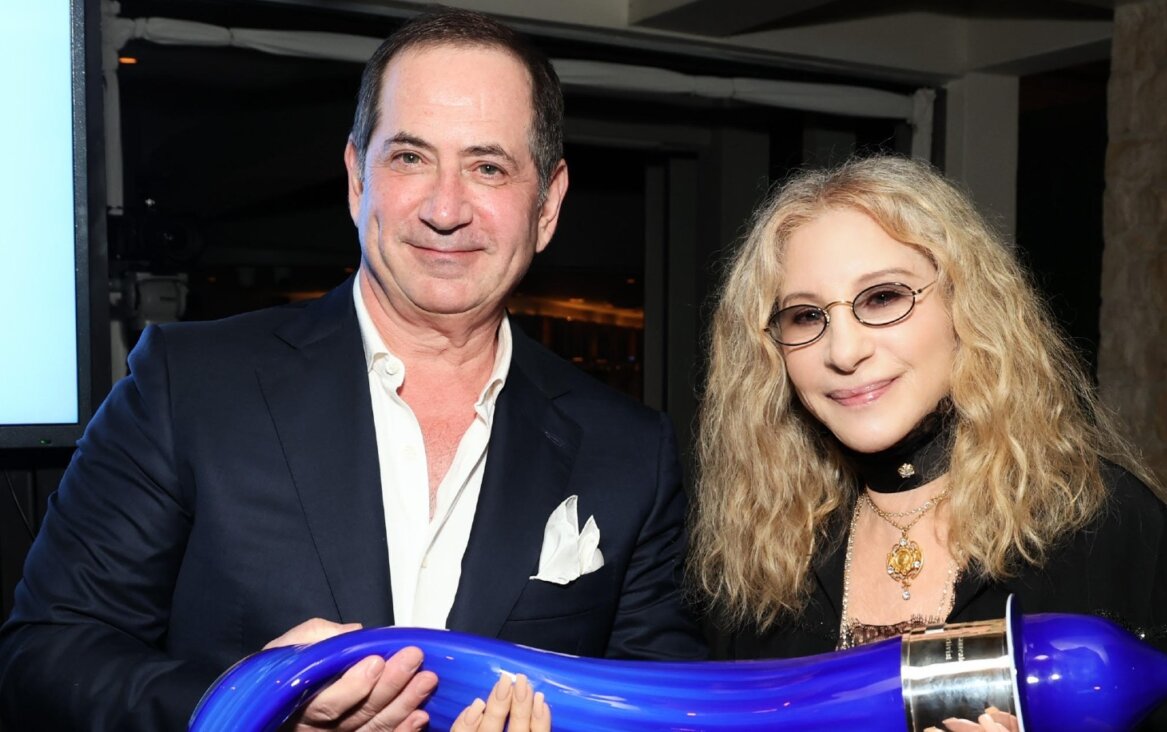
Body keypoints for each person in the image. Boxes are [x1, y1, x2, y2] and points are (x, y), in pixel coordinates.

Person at [0, 7, 704, 731]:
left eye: (487, 166)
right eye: (409, 157)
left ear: (547, 205)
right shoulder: (190, 387)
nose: (445, 207)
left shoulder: (628, 452)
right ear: (355, 179)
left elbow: (664, 706)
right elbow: (49, 659)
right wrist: (257, 709)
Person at [689, 155, 1167, 731]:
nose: (844, 352)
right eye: (805, 316)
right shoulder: (763, 555)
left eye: (882, 297)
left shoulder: (1107, 528)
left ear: (967, 304)